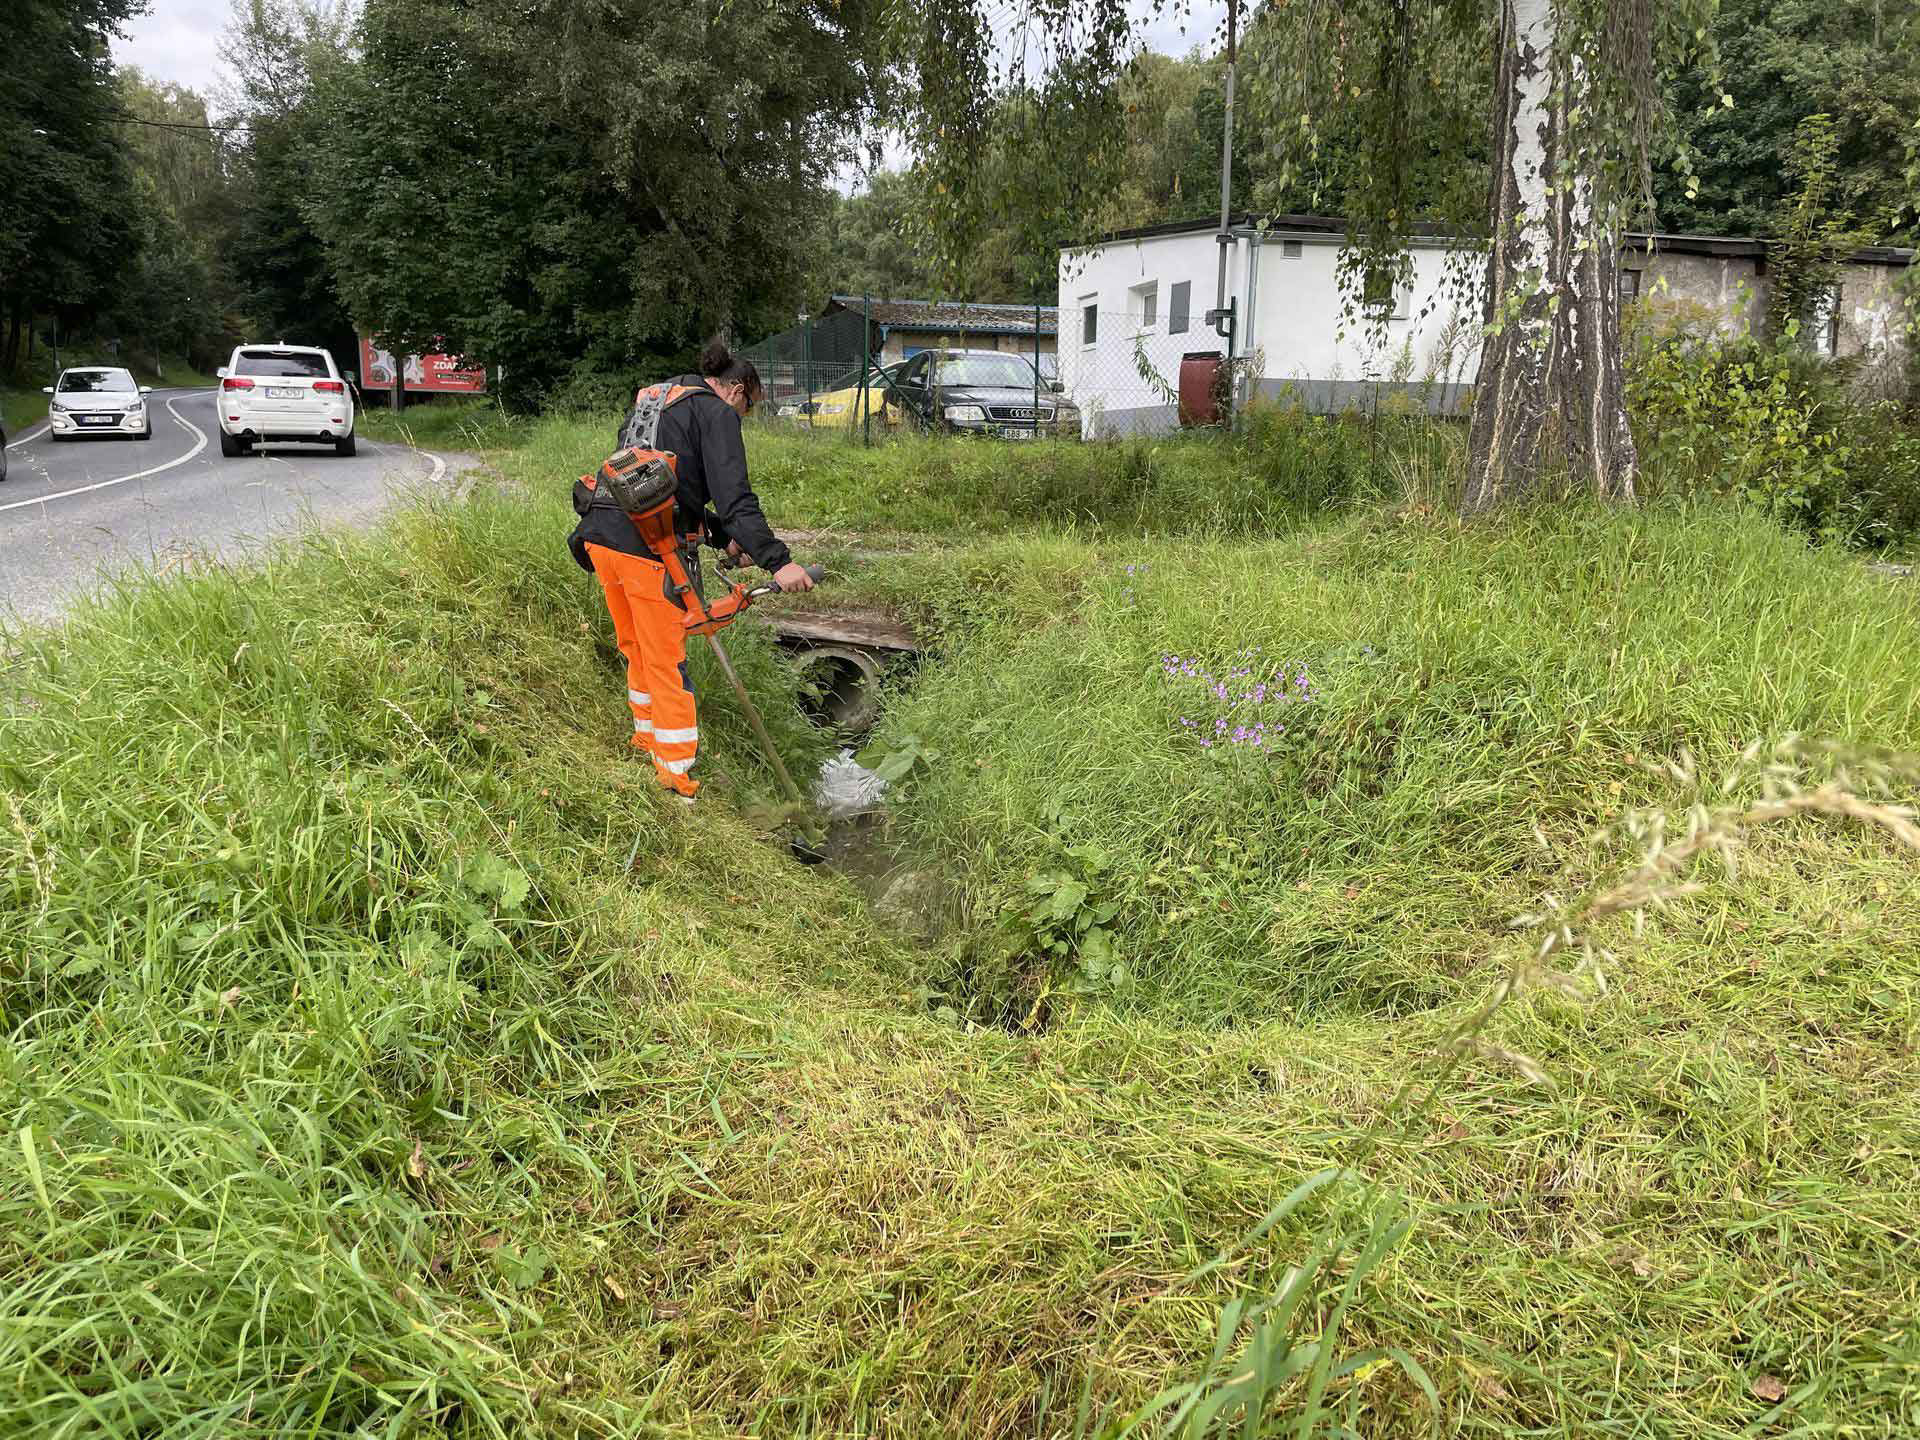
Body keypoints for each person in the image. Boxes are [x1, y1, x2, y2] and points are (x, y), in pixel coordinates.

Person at [568, 338, 813, 801]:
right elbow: (735, 497)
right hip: (644, 552)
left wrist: (725, 537)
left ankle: (646, 742)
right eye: (749, 407)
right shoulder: (717, 413)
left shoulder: (655, 398)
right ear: (736, 389)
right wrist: (779, 562)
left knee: (637, 648)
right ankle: (677, 782)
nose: (743, 417)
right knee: (666, 662)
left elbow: (660, 488)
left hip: (601, 535)